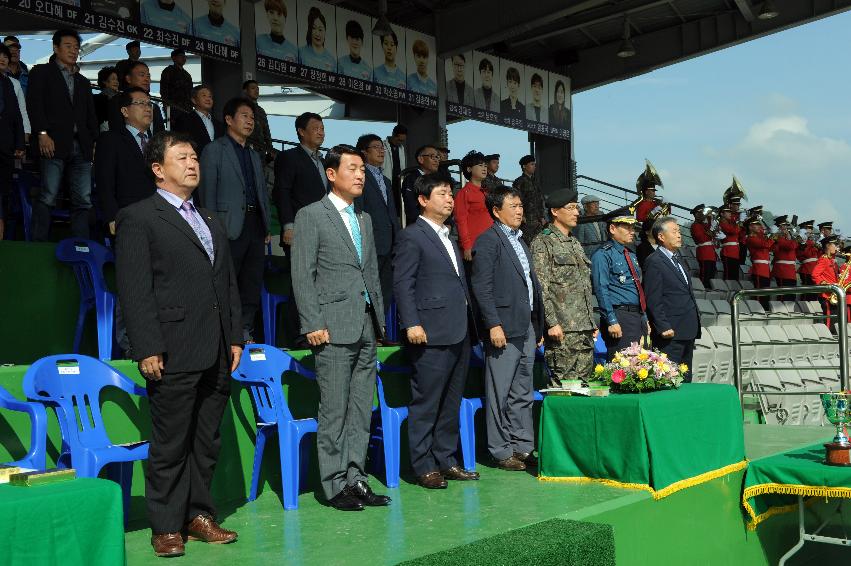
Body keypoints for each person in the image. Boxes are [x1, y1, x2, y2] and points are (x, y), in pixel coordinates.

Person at [115, 130, 242, 558]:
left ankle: (199, 515)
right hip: (171, 347)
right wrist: (147, 346)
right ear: (157, 170)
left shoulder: (211, 220)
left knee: (207, 441)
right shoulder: (140, 216)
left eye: (194, 157)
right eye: (182, 157)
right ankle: (166, 526)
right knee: (170, 443)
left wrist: (236, 337)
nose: (192, 163)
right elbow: (134, 289)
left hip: (217, 348)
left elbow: (226, 284)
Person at [291, 144, 389, 511]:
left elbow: (372, 274)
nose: (361, 174)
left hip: (364, 324)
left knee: (362, 408)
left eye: (363, 168)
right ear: (331, 174)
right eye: (353, 168)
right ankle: (333, 487)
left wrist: (378, 320)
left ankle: (356, 478)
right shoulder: (311, 215)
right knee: (334, 409)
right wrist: (312, 322)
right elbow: (302, 274)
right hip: (331, 326)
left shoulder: (362, 217)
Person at [393, 173, 478, 489]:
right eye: (442, 193)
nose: (449, 198)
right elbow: (403, 283)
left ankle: (446, 459)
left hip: (459, 330)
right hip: (429, 331)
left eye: (450, 193)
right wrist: (411, 322)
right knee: (427, 401)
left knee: (451, 401)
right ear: (423, 200)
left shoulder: (450, 237)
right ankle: (423, 465)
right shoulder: (412, 236)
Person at [472, 185, 544, 472]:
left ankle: (523, 447)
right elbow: (481, 286)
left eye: (520, 205)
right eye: (512, 205)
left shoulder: (520, 240)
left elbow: (530, 286)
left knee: (522, 391)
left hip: (525, 325)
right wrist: (493, 324)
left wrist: (536, 325)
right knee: (499, 392)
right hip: (502, 328)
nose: (519, 210)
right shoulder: (489, 240)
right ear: (496, 210)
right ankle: (500, 451)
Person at [198, 98, 271, 343]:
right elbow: (207, 192)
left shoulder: (253, 154)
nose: (250, 121)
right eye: (244, 116)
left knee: (251, 282)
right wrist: (210, 227)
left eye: (252, 117)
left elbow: (261, 191)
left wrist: (266, 225)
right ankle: (224, 332)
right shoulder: (214, 150)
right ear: (228, 119)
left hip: (254, 225)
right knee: (228, 281)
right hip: (227, 227)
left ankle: (245, 330)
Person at [26, 29, 99, 241]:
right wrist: (41, 133)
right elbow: (35, 105)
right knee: (48, 195)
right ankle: (38, 245)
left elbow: (90, 116)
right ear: (55, 48)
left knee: (83, 200)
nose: (73, 50)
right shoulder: (41, 72)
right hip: (53, 141)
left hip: (81, 146)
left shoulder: (83, 81)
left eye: (76, 47)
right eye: (68, 46)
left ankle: (81, 245)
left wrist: (93, 142)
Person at [531, 189, 596, 387]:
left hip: (583, 328)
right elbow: (540, 287)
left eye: (577, 208)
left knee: (584, 387)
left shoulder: (575, 243)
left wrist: (591, 321)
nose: (576, 212)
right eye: (570, 208)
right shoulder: (543, 242)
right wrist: (551, 323)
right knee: (564, 387)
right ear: (555, 212)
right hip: (562, 329)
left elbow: (583, 285)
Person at [643, 216, 701, 382]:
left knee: (686, 378)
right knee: (670, 379)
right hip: (670, 333)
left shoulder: (678, 259)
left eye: (679, 232)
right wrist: (662, 325)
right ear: (661, 236)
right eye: (674, 231)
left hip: (687, 329)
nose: (679, 235)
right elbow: (653, 298)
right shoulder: (654, 261)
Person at [94, 87, 157, 237]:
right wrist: (111, 216)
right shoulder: (111, 139)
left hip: (159, 216)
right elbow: (104, 181)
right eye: (141, 103)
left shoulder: (158, 142)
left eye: (149, 104)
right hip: (128, 217)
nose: (147, 108)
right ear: (125, 111)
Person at [355, 134, 400, 333]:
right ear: (364, 152)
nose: (381, 151)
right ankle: (369, 332)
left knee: (386, 289)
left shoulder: (387, 180)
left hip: (390, 243)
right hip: (372, 241)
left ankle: (380, 330)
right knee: (370, 289)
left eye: (382, 147)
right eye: (376, 147)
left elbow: (393, 213)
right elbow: (360, 210)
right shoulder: (360, 177)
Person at [591, 212, 648, 360]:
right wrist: (611, 320)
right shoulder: (603, 254)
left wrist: (644, 317)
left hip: (636, 315)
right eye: (627, 227)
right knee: (623, 367)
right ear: (612, 228)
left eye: (633, 227)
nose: (632, 231)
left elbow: (636, 287)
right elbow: (601, 289)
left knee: (640, 365)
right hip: (620, 315)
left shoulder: (630, 254)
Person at [274, 111, 326, 248]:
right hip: (300, 230)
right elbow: (282, 192)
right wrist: (288, 226)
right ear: (301, 132)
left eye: (322, 129)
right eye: (316, 129)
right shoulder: (289, 157)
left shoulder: (324, 162)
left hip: (324, 231)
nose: (321, 133)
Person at [0, 47, 25, 240]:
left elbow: (17, 115)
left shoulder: (10, 83)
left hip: (5, 145)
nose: (3, 59)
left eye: (5, 56)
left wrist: (19, 143)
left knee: (3, 191)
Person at [454, 150, 492, 263]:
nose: (484, 168)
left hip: (490, 243)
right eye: (480, 165)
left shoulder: (487, 192)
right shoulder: (464, 193)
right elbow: (460, 221)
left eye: (485, 165)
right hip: (475, 246)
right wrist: (466, 246)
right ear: (469, 169)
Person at [109, 61, 165, 134]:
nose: (146, 79)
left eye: (148, 76)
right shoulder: (117, 102)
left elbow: (161, 134)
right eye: (142, 75)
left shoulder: (154, 107)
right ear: (128, 79)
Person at [172, 85, 224, 155]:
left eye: (210, 96)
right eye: (204, 95)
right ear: (194, 100)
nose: (208, 99)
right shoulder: (185, 120)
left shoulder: (218, 123)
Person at [812, 235, 847, 332]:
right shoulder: (824, 259)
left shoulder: (832, 260)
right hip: (827, 295)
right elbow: (815, 275)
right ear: (828, 246)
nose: (836, 247)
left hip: (833, 295)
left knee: (835, 320)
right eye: (834, 245)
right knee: (829, 321)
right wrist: (827, 285)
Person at [401, 145, 439, 227]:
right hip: (421, 227)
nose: (436, 160)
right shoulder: (411, 179)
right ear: (421, 159)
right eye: (432, 156)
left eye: (437, 157)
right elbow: (411, 207)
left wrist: (448, 223)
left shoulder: (439, 179)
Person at [243, 80, 275, 177]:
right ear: (245, 91)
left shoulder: (261, 110)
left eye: (258, 88)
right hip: (246, 147)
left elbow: (266, 131)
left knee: (260, 177)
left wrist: (270, 148)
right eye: (253, 88)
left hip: (260, 149)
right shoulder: (241, 108)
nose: (256, 91)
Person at [512, 154, 545, 245]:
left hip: (538, 220)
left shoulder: (535, 182)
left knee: (539, 245)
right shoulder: (519, 182)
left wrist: (542, 216)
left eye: (534, 164)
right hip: (527, 221)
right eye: (532, 164)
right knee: (528, 244)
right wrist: (521, 215)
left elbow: (540, 200)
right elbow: (516, 200)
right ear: (524, 166)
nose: (534, 166)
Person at [298, 6, 335, 71]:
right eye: (314, 28)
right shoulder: (301, 53)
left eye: (320, 29)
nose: (317, 34)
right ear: (309, 30)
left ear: (325, 31)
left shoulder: (331, 60)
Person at [689, 204, 718, 287]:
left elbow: (712, 230)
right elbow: (701, 239)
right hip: (704, 253)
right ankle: (703, 290)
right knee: (705, 275)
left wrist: (711, 218)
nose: (704, 215)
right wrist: (711, 229)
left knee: (711, 274)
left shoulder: (703, 225)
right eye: (702, 213)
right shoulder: (695, 226)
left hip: (710, 252)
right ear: (697, 214)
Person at [771, 215, 798, 300]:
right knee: (784, 296)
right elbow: (792, 246)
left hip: (790, 271)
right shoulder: (779, 238)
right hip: (783, 271)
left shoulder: (786, 238)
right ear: (779, 228)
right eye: (783, 226)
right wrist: (791, 238)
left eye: (786, 226)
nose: (786, 228)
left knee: (791, 296)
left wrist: (790, 238)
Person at [160, 49, 193, 115]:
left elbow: (191, 93)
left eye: (184, 56)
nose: (184, 58)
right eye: (181, 56)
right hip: (173, 108)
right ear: (174, 58)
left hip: (187, 108)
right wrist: (166, 107)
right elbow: (164, 91)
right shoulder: (168, 71)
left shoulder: (187, 75)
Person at [381, 124, 406, 209]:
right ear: (393, 134)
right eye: (399, 140)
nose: (400, 142)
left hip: (399, 181)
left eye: (402, 141)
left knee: (398, 206)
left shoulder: (401, 148)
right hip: (387, 180)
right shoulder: (382, 146)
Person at [574, 195, 607, 259]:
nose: (597, 206)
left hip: (603, 254)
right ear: (585, 207)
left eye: (597, 203)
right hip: (590, 257)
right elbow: (579, 242)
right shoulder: (581, 222)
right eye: (593, 204)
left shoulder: (601, 218)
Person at [744, 216, 772, 289]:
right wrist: (773, 237)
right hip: (759, 269)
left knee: (765, 294)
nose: (760, 226)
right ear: (750, 227)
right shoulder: (751, 238)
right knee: (759, 295)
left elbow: (770, 246)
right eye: (757, 224)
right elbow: (765, 244)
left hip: (765, 269)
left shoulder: (760, 238)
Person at [718, 205, 741, 281]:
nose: (730, 213)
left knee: (735, 276)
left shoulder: (730, 223)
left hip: (734, 252)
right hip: (728, 252)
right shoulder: (722, 223)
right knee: (729, 276)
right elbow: (733, 231)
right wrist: (740, 222)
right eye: (728, 212)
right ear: (722, 214)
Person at [797, 220, 819, 287]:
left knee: (814, 293)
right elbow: (803, 254)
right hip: (807, 269)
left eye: (811, 229)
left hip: (815, 269)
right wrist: (811, 243)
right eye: (807, 229)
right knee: (807, 294)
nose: (810, 231)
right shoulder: (801, 241)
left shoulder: (812, 241)